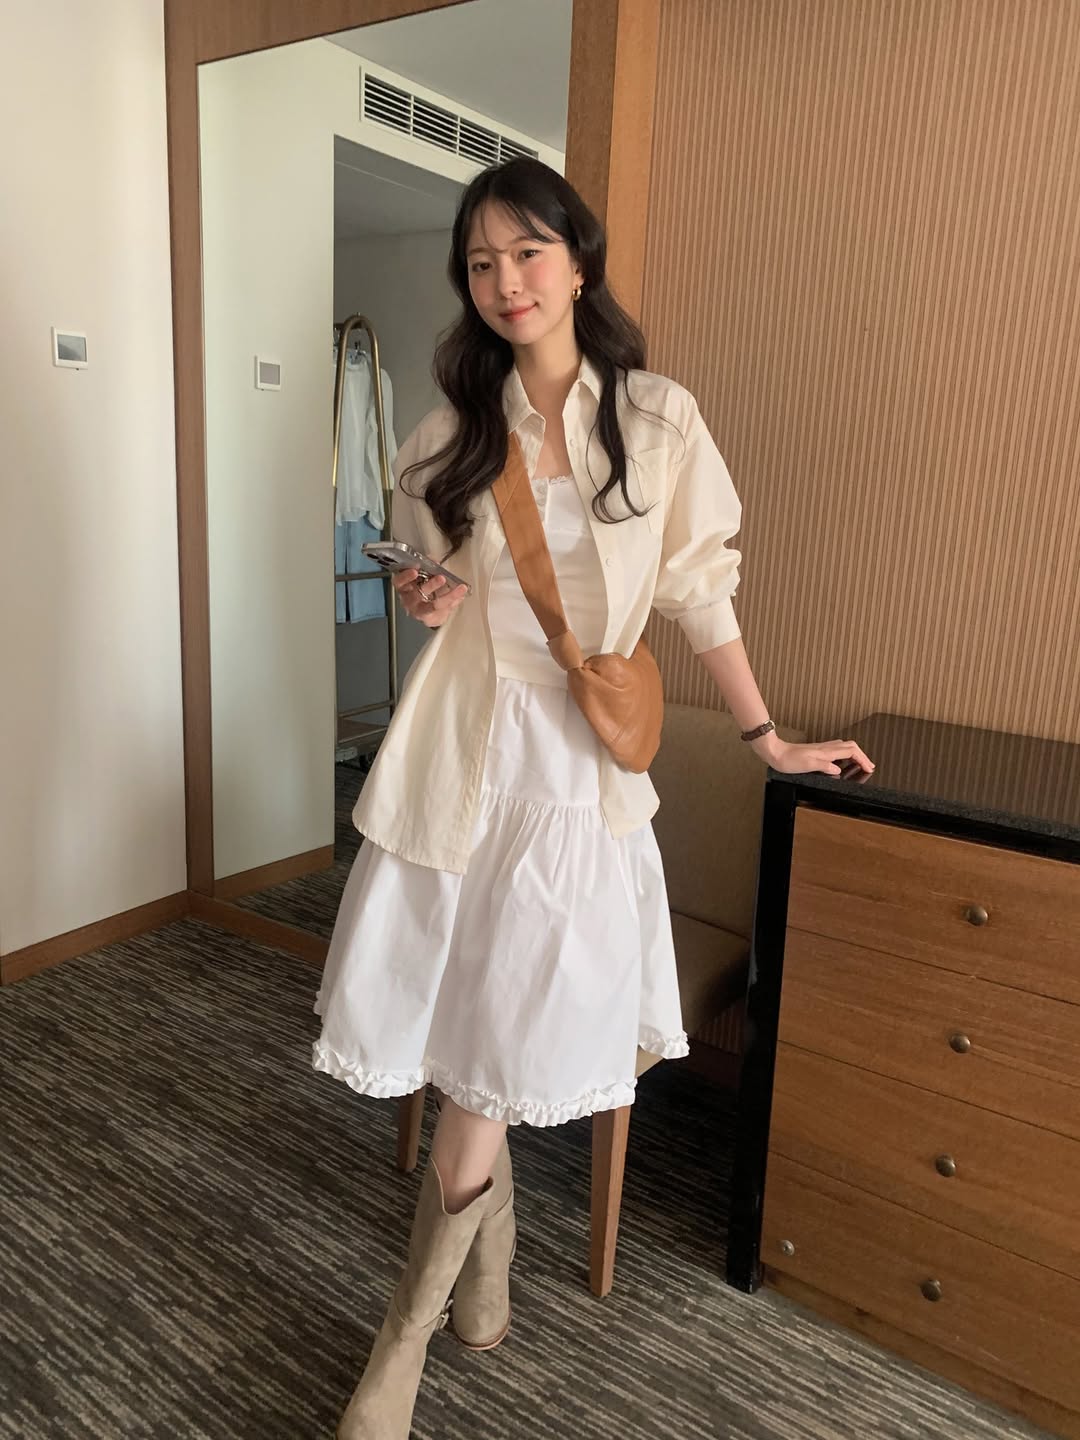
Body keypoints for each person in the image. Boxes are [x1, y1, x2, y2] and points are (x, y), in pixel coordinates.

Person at [313, 156, 875, 1439]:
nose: (505, 281)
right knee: (474, 1031)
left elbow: (702, 592)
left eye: (527, 253)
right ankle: (483, 1269)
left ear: (578, 261)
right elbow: (440, 587)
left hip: (575, 778)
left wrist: (767, 736)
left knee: (493, 1040)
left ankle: (402, 1341)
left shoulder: (658, 422)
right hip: (464, 754)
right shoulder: (451, 431)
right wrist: (428, 592)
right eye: (480, 262)